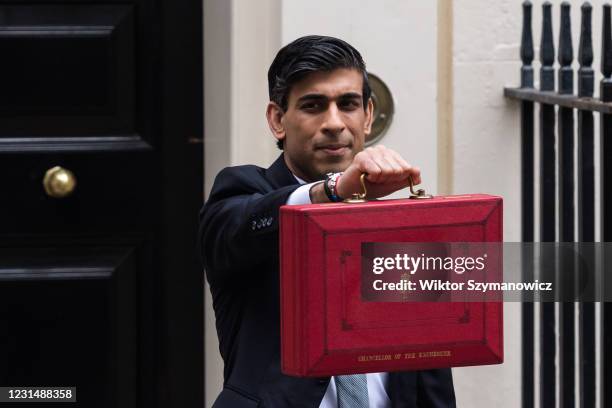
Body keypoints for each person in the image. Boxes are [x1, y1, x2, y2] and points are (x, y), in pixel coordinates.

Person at [199, 35, 456, 408]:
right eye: (313, 105)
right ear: (277, 119)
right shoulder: (242, 192)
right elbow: (238, 229)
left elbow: (430, 362)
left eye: (347, 104)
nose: (334, 123)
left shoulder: (403, 226)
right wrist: (332, 192)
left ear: (367, 115)